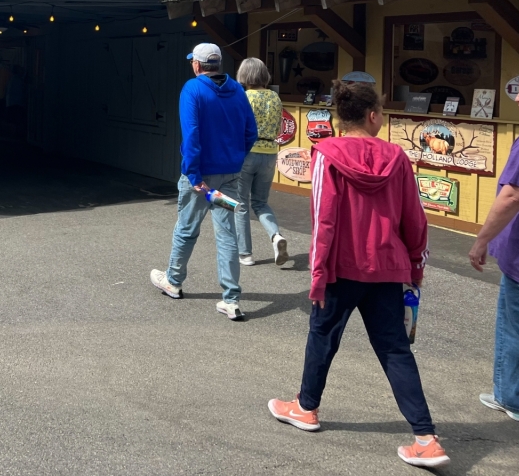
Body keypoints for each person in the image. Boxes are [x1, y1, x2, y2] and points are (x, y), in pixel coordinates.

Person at [268, 81, 448, 469]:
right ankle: (426, 437)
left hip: (340, 268)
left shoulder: (326, 154)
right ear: (371, 116)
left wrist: (317, 276)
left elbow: (323, 220)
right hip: (388, 266)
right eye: (382, 112)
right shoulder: (398, 158)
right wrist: (415, 268)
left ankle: (306, 407)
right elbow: (415, 219)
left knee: (322, 335)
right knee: (394, 349)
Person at [150, 43, 257, 321]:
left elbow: (192, 135)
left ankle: (173, 281)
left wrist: (195, 176)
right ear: (218, 64)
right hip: (230, 175)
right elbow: (250, 132)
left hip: (200, 177)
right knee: (227, 235)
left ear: (197, 65)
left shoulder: (192, 89)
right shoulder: (238, 92)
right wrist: (235, 158)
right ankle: (231, 299)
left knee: (187, 228)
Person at [468, 65, 519, 424]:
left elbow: (513, 195)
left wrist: (482, 239)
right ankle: (509, 397)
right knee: (514, 325)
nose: (517, 97)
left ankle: (509, 395)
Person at [235, 57, 289, 266]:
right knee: (260, 202)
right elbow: (277, 127)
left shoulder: (243, 96)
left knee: (241, 204)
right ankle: (275, 236)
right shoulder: (275, 97)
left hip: (247, 152)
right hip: (269, 152)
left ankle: (245, 254)